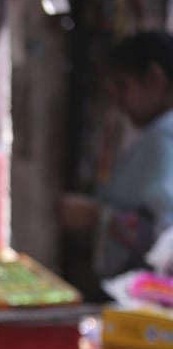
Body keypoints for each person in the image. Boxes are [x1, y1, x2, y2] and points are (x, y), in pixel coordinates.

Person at [60, 30, 173, 286]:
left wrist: (96, 216)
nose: (118, 100)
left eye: (123, 85)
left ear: (154, 78)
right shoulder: (156, 134)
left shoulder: (164, 138)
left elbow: (166, 235)